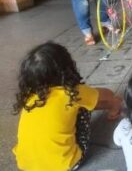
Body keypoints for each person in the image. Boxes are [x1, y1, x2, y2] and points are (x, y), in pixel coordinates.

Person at [12, 42, 122, 171]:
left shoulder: (28, 96)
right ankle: (112, 108)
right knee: (82, 105)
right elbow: (107, 94)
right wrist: (114, 102)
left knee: (76, 104)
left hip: (25, 165)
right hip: (65, 164)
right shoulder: (70, 93)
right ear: (66, 67)